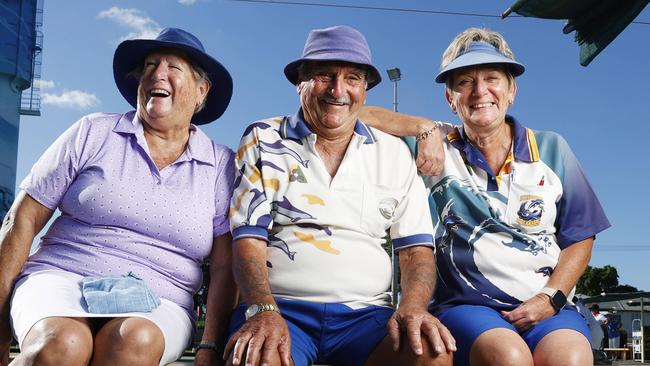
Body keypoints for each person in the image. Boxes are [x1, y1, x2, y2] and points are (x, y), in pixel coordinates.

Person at [360, 27, 610, 366]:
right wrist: (422, 127)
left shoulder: (551, 148)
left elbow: (580, 237)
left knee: (572, 357)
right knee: (507, 357)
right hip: (466, 306)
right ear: (450, 99)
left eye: (492, 78)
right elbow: (354, 114)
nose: (480, 91)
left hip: (546, 303)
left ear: (512, 91)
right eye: (464, 82)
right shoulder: (435, 145)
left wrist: (550, 297)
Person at [0, 28, 237, 366]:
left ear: (201, 91)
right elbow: (21, 220)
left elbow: (227, 264)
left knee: (134, 342)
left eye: (173, 68)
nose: (158, 74)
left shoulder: (221, 165)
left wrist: (209, 346)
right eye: (151, 66)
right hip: (61, 277)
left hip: (161, 297)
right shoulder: (93, 131)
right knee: (62, 344)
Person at [225, 25, 455, 366]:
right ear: (299, 81)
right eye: (323, 75)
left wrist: (412, 307)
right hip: (282, 308)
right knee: (260, 358)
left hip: (367, 317)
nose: (338, 90)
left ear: (365, 89)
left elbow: (416, 252)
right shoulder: (263, 138)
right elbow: (247, 242)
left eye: (352, 78)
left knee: (431, 353)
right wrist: (263, 308)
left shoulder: (393, 152)